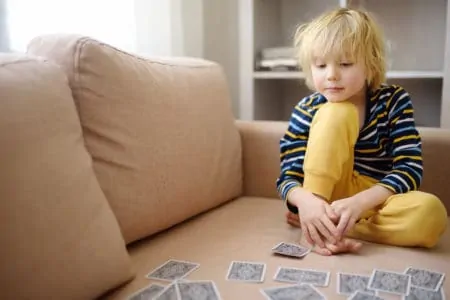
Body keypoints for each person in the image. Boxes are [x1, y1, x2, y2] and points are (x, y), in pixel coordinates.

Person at [276, 7, 448, 256]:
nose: (332, 75)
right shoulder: (306, 109)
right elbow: (287, 177)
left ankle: (330, 227)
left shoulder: (394, 100)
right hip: (323, 197)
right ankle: (317, 222)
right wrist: (307, 202)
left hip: (374, 201)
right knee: (337, 112)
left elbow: (410, 168)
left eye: (345, 64)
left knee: (431, 214)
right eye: (321, 65)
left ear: (371, 65)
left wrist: (360, 202)